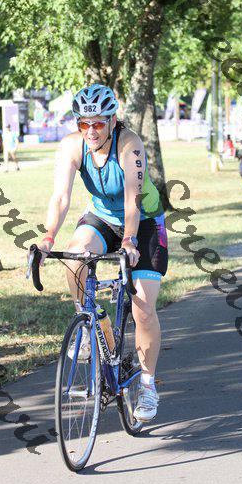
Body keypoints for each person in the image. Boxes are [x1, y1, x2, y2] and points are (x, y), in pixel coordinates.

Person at [38, 84, 168, 422]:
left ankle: (148, 385)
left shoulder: (129, 144)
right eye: (84, 123)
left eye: (98, 123)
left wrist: (129, 240)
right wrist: (48, 238)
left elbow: (133, 200)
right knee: (75, 256)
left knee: (142, 307)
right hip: (102, 217)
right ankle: (90, 324)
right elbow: (61, 198)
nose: (91, 130)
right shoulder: (72, 146)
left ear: (112, 120)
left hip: (143, 222)